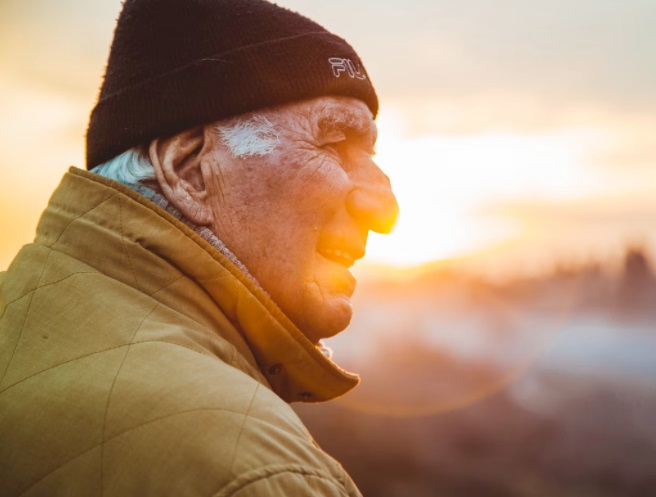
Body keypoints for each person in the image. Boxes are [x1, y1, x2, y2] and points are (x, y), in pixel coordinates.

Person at [0, 1, 397, 495]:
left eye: (372, 157)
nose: (384, 207)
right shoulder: (257, 473)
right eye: (333, 142)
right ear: (188, 172)